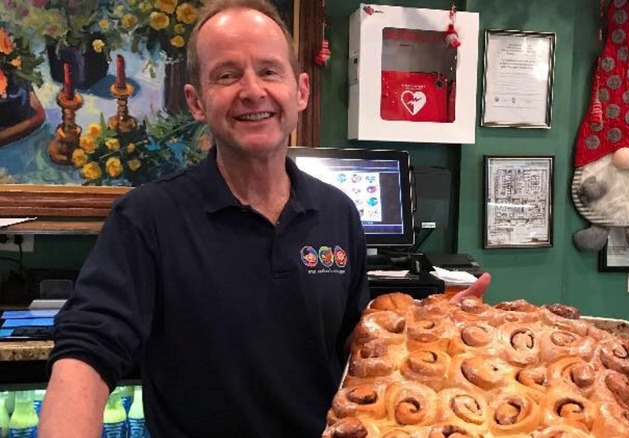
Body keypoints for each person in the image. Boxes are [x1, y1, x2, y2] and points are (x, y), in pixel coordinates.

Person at [38, 0, 490, 436]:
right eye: (227, 75)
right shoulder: (147, 217)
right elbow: (88, 350)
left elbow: (351, 345)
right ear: (196, 102)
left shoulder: (337, 213)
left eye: (269, 70)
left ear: (302, 91)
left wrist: (422, 334)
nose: (252, 90)